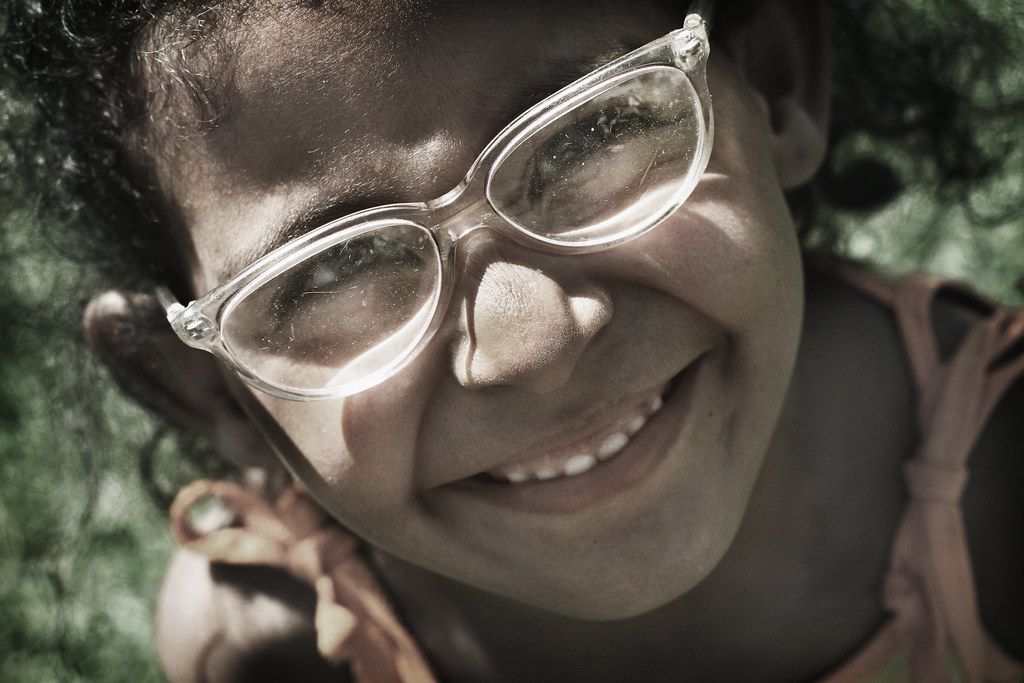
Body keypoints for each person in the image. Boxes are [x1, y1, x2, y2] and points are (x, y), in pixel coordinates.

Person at [2, 0, 1022, 680]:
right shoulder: (278, 638)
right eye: (330, 269)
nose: (530, 341)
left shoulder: (1003, 499)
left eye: (587, 133)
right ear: (204, 384)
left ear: (774, 81)